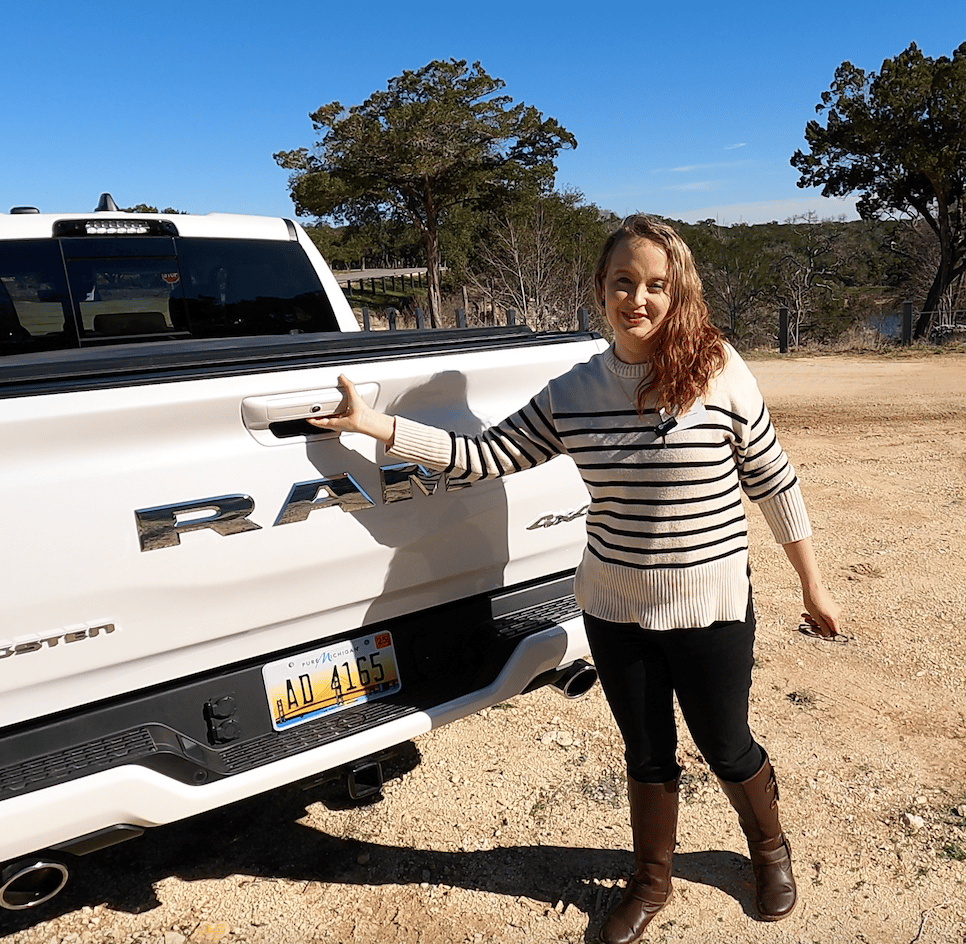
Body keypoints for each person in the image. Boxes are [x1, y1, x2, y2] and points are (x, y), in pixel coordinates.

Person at [309, 214, 842, 944]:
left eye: (657, 284)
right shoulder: (576, 391)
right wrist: (382, 428)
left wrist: (813, 585)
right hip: (616, 610)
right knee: (647, 751)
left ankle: (768, 848)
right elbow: (486, 455)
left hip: (711, 605)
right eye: (624, 283)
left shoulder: (720, 369)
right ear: (600, 291)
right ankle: (651, 882)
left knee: (726, 743)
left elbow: (772, 479)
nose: (639, 300)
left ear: (678, 289)